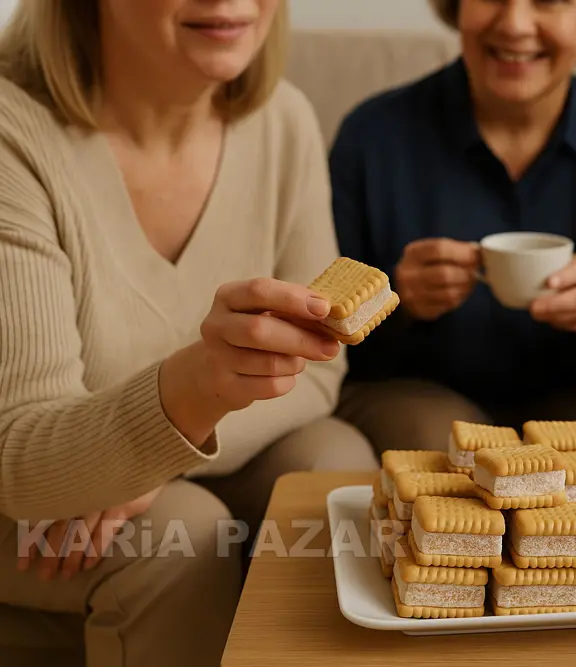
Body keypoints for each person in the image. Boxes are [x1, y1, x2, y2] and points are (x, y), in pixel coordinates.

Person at [0, 1, 377, 665]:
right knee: (181, 533)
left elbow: (319, 367)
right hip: (27, 500)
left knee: (333, 461)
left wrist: (161, 451)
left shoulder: (283, 119)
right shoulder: (14, 138)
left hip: (148, 469)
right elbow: (22, 460)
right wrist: (186, 397)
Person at [329, 0, 576, 466]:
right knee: (450, 455)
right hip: (416, 393)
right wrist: (397, 300)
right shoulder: (372, 136)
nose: (514, 24)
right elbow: (328, 337)